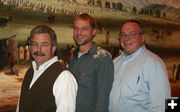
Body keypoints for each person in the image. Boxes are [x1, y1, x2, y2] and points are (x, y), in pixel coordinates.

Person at [109, 20, 171, 112]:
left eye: (132, 34)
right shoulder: (115, 63)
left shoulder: (154, 63)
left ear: (142, 38)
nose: (126, 38)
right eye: (123, 34)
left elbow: (162, 105)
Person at [16, 25, 77, 112]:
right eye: (34, 44)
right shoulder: (30, 72)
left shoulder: (64, 77)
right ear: (30, 47)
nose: (38, 49)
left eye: (44, 45)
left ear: (53, 48)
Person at [69, 13, 114, 112]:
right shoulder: (74, 56)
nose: (79, 32)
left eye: (84, 28)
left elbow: (103, 100)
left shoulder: (102, 58)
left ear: (93, 32)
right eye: (76, 28)